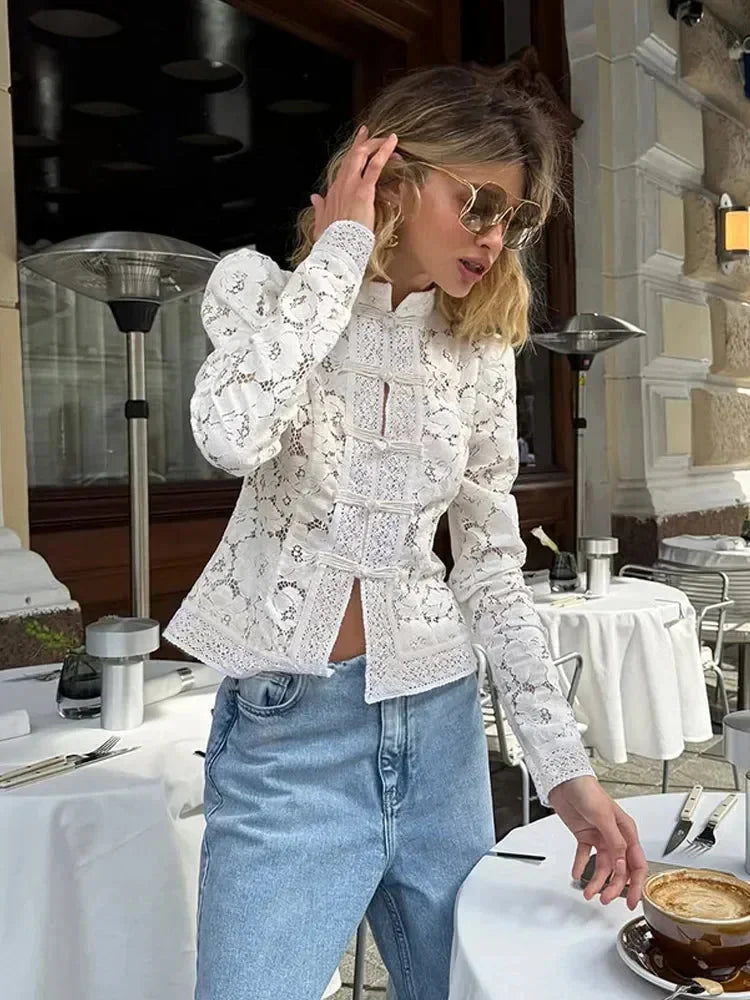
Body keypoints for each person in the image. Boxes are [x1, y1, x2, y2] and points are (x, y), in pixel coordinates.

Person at [165, 64, 647, 1000]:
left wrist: (564, 770)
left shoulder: (478, 350)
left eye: (512, 218)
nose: (493, 236)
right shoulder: (259, 291)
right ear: (392, 174)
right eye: (478, 202)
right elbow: (229, 436)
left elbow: (491, 568)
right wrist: (340, 256)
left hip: (442, 732)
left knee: (463, 989)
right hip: (290, 744)